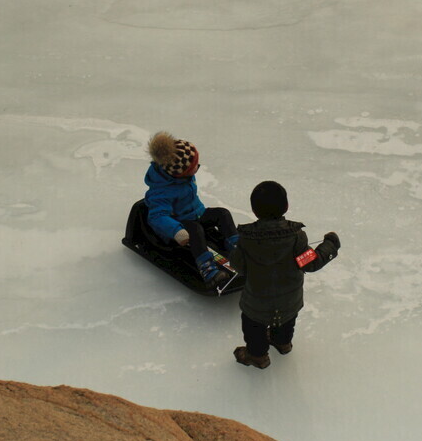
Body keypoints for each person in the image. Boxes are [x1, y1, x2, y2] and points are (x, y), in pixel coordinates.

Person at [228, 180, 340, 369]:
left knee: (254, 328)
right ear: (286, 206)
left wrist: (235, 253)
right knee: (286, 322)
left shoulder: (246, 239)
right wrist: (330, 245)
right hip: (289, 301)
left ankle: (258, 356)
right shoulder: (296, 237)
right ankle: (283, 343)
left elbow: (239, 266)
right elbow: (310, 262)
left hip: (256, 304)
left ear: (254, 210)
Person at [144, 131, 239, 288]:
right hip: (180, 222)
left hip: (197, 213)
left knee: (222, 213)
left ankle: (237, 247)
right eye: (195, 167)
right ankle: (208, 269)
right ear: (181, 173)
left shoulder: (182, 175)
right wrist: (176, 231)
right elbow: (157, 217)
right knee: (195, 229)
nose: (197, 168)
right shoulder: (161, 192)